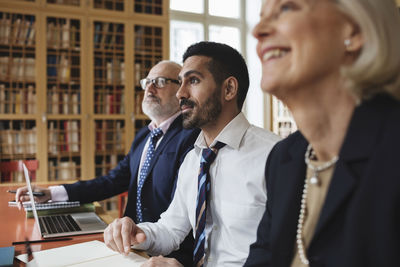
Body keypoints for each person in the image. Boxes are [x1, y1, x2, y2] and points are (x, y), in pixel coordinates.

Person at [245, 0, 400, 266]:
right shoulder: (285, 158)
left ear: (354, 31)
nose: (258, 30)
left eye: (286, 8)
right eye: (261, 16)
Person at [103, 41, 280, 267]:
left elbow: (289, 257)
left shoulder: (275, 156)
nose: (180, 93)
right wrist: (138, 233)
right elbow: (171, 229)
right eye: (181, 81)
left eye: (193, 80)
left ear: (229, 89)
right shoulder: (194, 158)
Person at [15, 60, 200, 266]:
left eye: (160, 81)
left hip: (165, 255)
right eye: (147, 81)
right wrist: (53, 193)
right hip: (126, 243)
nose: (149, 87)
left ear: (181, 90)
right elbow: (112, 181)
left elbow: (181, 217)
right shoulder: (144, 136)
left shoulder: (191, 137)